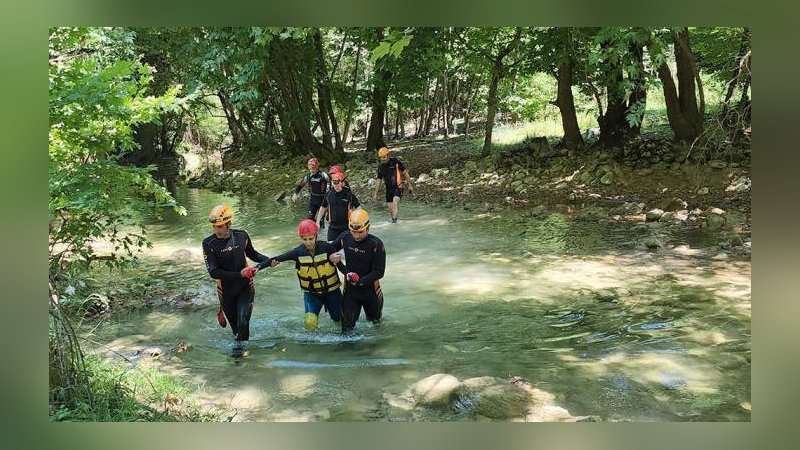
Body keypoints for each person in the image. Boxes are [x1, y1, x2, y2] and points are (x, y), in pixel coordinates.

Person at [202, 205, 271, 357]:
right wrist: (240, 274)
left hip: (245, 287)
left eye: (220, 226)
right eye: (214, 227)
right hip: (225, 292)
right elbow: (213, 272)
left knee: (243, 321)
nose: (217, 230)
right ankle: (241, 350)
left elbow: (253, 254)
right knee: (236, 329)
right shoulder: (208, 244)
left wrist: (270, 260)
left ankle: (240, 357)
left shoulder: (241, 236)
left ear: (229, 224)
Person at [269, 219, 343, 331]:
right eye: (304, 239)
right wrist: (257, 268)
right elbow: (277, 258)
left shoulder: (327, 248)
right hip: (311, 294)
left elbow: (341, 265)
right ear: (300, 238)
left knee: (340, 320)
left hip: (332, 292)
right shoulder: (297, 252)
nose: (308, 242)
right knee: (310, 323)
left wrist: (349, 275)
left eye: (311, 239)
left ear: (316, 235)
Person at [330, 209, 386, 333]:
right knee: (346, 331)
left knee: (375, 328)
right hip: (350, 292)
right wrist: (333, 258)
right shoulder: (345, 237)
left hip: (371, 293)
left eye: (360, 232)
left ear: (368, 227)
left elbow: (379, 272)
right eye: (353, 231)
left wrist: (360, 281)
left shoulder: (376, 244)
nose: (356, 236)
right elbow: (329, 249)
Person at [373, 147, 414, 223]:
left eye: (384, 157)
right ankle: (394, 221)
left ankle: (394, 221)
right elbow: (379, 180)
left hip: (398, 187)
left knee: (395, 201)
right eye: (381, 158)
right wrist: (375, 194)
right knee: (390, 209)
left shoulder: (395, 162)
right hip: (388, 189)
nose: (383, 159)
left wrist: (410, 185)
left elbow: (405, 173)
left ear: (388, 155)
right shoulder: (380, 167)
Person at [292, 157, 330, 230]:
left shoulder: (323, 175)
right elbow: (300, 186)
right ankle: (312, 234)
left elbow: (332, 183)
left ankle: (321, 236)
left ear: (316, 167)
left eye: (313, 168)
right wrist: (295, 194)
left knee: (321, 220)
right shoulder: (308, 176)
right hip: (313, 200)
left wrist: (330, 198)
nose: (311, 170)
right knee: (310, 219)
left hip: (322, 200)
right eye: (310, 168)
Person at [324, 171, 361, 242]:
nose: (336, 185)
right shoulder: (329, 194)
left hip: (346, 227)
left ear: (342, 183)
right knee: (331, 250)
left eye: (337, 182)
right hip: (333, 228)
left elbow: (359, 208)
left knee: (347, 249)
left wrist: (360, 221)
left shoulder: (349, 195)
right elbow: (322, 207)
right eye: (334, 182)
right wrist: (318, 221)